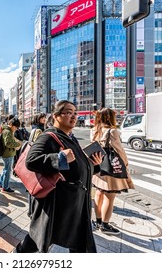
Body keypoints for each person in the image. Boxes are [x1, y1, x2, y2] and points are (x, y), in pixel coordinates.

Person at [15, 100, 102, 253]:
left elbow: (76, 165)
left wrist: (92, 165)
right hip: (57, 203)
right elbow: (32, 161)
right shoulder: (48, 137)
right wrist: (60, 158)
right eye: (68, 112)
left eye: (75, 113)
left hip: (75, 203)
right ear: (56, 116)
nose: (74, 116)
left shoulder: (70, 137)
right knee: (39, 237)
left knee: (79, 241)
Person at [90, 108, 134, 234]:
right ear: (110, 118)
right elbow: (120, 151)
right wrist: (125, 165)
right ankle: (105, 224)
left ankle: (97, 221)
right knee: (110, 196)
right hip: (110, 168)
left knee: (98, 193)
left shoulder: (94, 130)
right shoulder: (112, 131)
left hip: (98, 165)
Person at [0, 118, 22, 192]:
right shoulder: (8, 132)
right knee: (7, 171)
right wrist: (18, 144)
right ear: (11, 125)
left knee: (5, 170)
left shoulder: (7, 130)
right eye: (15, 127)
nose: (16, 129)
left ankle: (0, 184)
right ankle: (5, 187)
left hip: (7, 153)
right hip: (8, 154)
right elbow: (8, 143)